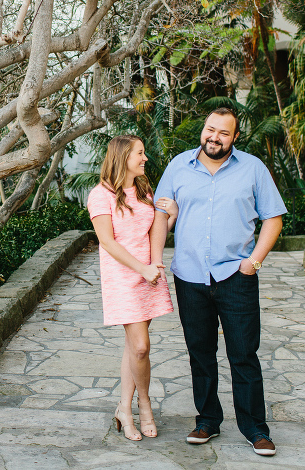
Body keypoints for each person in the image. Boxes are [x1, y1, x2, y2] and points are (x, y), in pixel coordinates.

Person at [150, 107, 286, 457]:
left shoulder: (253, 168)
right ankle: (207, 420)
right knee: (200, 353)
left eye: (224, 133)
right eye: (211, 130)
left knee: (243, 354)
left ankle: (255, 428)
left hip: (236, 277)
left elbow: (273, 218)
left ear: (235, 137)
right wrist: (153, 259)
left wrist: (253, 262)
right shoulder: (179, 166)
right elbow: (160, 215)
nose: (215, 137)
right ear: (203, 129)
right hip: (190, 275)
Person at [87, 135, 177, 441]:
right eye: (140, 153)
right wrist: (142, 269)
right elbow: (107, 242)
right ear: (124, 156)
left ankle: (124, 408)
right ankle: (145, 405)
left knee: (133, 347)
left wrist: (170, 215)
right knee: (140, 347)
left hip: (148, 275)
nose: (145, 158)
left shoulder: (143, 189)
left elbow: (153, 229)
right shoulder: (101, 195)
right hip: (124, 278)